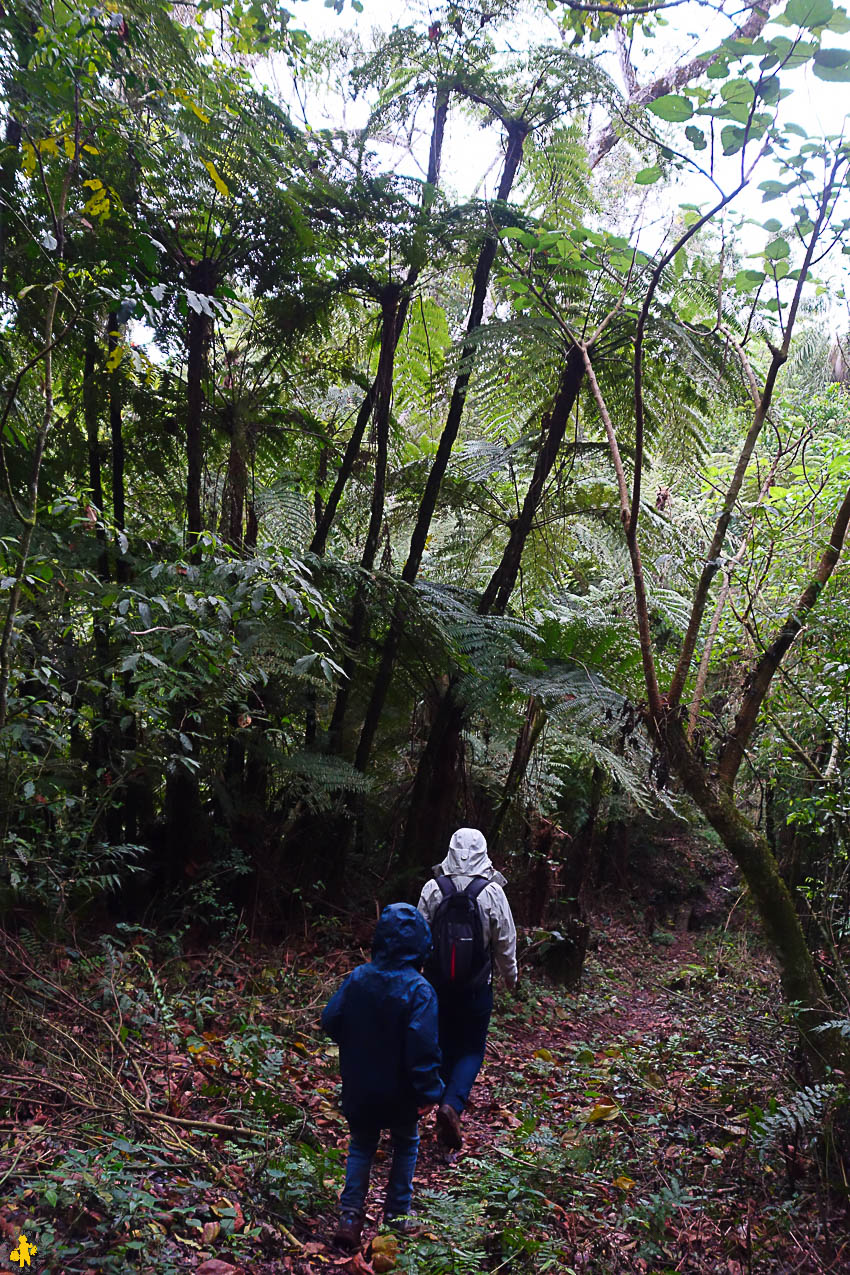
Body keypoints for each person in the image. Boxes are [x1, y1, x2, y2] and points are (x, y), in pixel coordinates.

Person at [321, 903, 444, 1251]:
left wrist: (358, 1043)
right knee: (406, 1144)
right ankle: (396, 1218)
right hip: (401, 1094)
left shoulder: (359, 978)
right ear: (421, 948)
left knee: (361, 1145)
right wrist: (428, 1093)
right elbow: (423, 1049)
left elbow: (331, 1019)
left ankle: (349, 1216)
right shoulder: (420, 990)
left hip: (360, 1087)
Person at [417, 827, 518, 1151]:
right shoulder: (492, 892)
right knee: (472, 1049)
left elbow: (417, 934)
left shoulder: (434, 887)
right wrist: (510, 978)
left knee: (442, 1044)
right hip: (476, 987)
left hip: (437, 987)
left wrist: (414, 974)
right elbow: (505, 941)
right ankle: (452, 1106)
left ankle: (433, 1104)